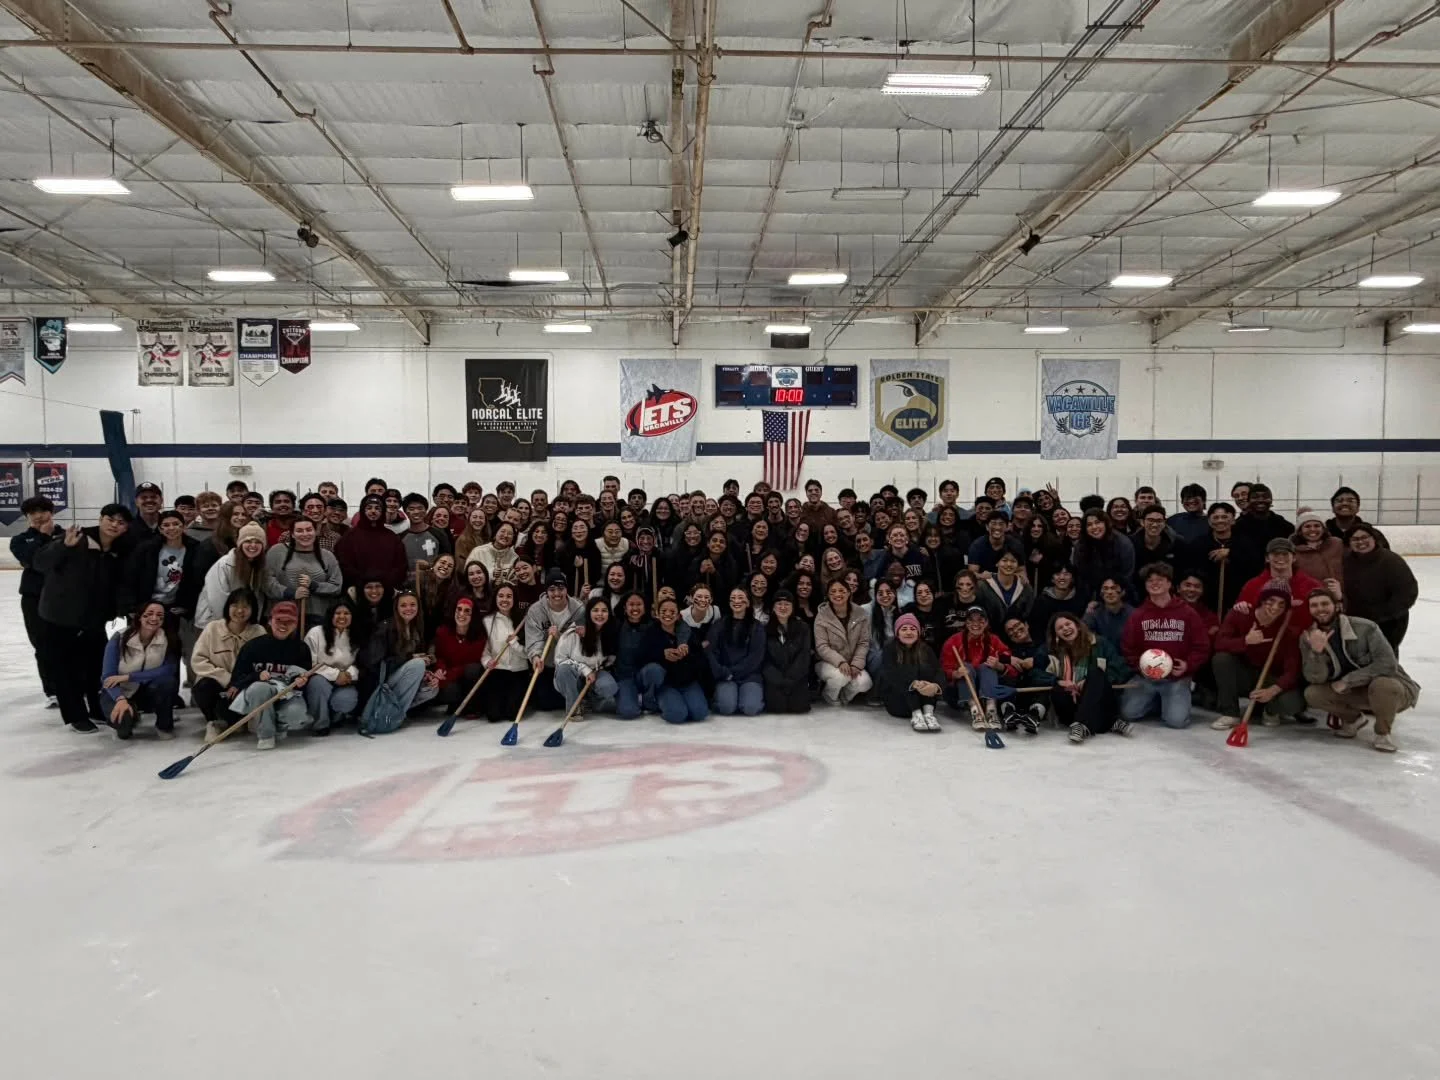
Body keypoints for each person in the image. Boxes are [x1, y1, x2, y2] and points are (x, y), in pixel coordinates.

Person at [34, 504, 134, 733]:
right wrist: (63, 547)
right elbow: (40, 563)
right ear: (101, 519)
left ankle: (97, 709)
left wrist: (119, 614)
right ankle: (75, 715)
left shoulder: (120, 549)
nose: (115, 525)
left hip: (96, 619)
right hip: (61, 616)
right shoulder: (75, 539)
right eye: (111, 519)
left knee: (94, 667)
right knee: (66, 668)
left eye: (121, 522)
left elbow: (119, 585)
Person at [1300, 588, 1419, 753]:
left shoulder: (1365, 628)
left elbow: (1387, 664)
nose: (1320, 609)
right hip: (1354, 692)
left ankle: (1382, 733)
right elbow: (1315, 678)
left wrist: (1348, 680)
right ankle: (1353, 720)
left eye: (1325, 603)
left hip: (1393, 689)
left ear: (1337, 606)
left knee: (1383, 684)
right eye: (1314, 605)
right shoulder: (1308, 638)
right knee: (1312, 693)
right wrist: (1316, 653)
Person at [1120, 562, 1211, 729]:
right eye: (1150, 581)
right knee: (1128, 714)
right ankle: (1156, 700)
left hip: (1176, 678)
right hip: (1146, 677)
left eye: (1160, 579)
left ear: (1169, 584)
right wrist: (1141, 667)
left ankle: (1172, 698)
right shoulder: (1138, 615)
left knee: (1176, 721)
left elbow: (1202, 646)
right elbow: (1128, 648)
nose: (1154, 584)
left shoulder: (1187, 613)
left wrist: (1188, 666)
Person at [1208, 585, 1306, 731]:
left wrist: (1272, 691)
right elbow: (1219, 643)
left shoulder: (1287, 630)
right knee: (1221, 659)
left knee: (1293, 703)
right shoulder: (1240, 614)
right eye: (1270, 601)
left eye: (1281, 604)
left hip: (1269, 677)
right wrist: (1245, 641)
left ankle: (1269, 710)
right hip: (1244, 674)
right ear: (1261, 600)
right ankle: (1230, 713)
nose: (1275, 608)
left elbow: (1292, 670)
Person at [1036, 612, 1134, 743]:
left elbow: (1121, 668)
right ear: (1056, 635)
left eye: (1068, 624)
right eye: (1060, 628)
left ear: (1078, 626)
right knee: (1058, 689)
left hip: (1100, 703)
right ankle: (1110, 722)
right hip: (1069, 706)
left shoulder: (1100, 644)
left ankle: (1081, 724)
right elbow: (1035, 673)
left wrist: (1092, 683)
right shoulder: (1049, 650)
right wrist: (1058, 681)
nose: (1065, 628)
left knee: (1096, 673)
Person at [229, 600, 314, 749]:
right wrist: (256, 676)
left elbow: (303, 677)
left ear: (295, 624)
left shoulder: (301, 648)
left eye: (289, 621)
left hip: (287, 694)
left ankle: (279, 723)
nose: (283, 625)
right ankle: (266, 734)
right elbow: (238, 676)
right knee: (259, 688)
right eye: (279, 620)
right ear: (270, 621)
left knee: (296, 714)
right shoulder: (253, 647)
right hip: (259, 695)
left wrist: (300, 681)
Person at [191, 586, 267, 741]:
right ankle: (213, 722)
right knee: (203, 687)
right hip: (218, 684)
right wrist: (226, 678)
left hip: (244, 687)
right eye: (235, 605)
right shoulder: (213, 628)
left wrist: (241, 682)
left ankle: (235, 720)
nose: (240, 611)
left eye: (245, 606)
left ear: (253, 610)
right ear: (227, 607)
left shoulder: (258, 632)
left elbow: (264, 664)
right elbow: (198, 660)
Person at [357, 590, 440, 729]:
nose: (409, 609)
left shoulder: (417, 628)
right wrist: (409, 659)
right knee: (418, 664)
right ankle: (387, 713)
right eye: (404, 605)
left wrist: (425, 673)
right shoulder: (384, 627)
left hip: (402, 678)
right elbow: (375, 661)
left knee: (431, 689)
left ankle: (395, 712)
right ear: (396, 608)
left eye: (413, 605)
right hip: (383, 680)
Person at [100, 600, 181, 739]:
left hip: (147, 690)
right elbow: (108, 677)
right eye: (149, 614)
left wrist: (129, 677)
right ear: (139, 616)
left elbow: (168, 670)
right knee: (123, 727)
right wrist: (120, 699)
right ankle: (129, 718)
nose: (154, 618)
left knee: (167, 682)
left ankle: (164, 725)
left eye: (159, 615)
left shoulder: (169, 639)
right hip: (121, 691)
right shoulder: (119, 638)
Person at [11, 495, 59, 705]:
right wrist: (43, 537)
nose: (39, 516)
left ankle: (80, 684)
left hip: (64, 597)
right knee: (43, 644)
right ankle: (52, 690)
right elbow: (32, 560)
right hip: (34, 598)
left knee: (71, 644)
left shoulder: (67, 536)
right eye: (33, 513)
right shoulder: (20, 540)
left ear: (52, 512)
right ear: (27, 517)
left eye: (43, 511)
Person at [1341, 523, 1418, 652]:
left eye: (1365, 537)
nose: (1361, 542)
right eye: (1355, 539)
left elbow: (1407, 593)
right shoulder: (1346, 562)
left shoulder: (1391, 561)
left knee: (1385, 659)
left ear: (1374, 538)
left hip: (1389, 623)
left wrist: (1383, 616)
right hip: (1356, 623)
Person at [939, 605, 1016, 729]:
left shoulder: (995, 641)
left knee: (987, 667)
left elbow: (1012, 669)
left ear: (986, 623)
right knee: (966, 667)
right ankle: (975, 710)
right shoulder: (953, 642)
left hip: (988, 690)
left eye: (980, 620)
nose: (976, 624)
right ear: (966, 622)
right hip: (961, 693)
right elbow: (943, 669)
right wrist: (955, 673)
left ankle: (991, 710)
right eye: (971, 620)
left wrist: (999, 666)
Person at [264, 516, 344, 628]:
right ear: (292, 534)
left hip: (318, 617)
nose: (305, 534)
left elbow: (337, 586)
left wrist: (314, 586)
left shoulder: (327, 556)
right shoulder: (277, 551)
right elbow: (266, 582)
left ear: (315, 532)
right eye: (299, 531)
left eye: (309, 530)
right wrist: (290, 593)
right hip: (283, 616)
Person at [523, 568, 584, 712]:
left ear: (566, 589)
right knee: (545, 703)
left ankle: (579, 694)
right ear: (547, 591)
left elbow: (579, 643)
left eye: (561, 588)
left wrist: (559, 636)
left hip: (570, 664)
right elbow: (534, 639)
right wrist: (536, 657)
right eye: (552, 589)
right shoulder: (535, 610)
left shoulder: (578, 610)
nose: (557, 593)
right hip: (548, 663)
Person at [643, 596, 711, 724]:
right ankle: (656, 700)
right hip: (665, 683)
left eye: (672, 611)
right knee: (677, 715)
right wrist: (662, 655)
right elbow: (643, 656)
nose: (668, 614)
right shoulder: (650, 632)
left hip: (687, 681)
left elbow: (701, 658)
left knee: (700, 713)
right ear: (657, 614)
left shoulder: (688, 632)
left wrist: (687, 653)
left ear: (678, 615)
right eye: (663, 611)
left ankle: (683, 700)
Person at [875, 613, 945, 732]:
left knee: (926, 669)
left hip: (924, 699)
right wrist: (912, 684)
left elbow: (938, 671)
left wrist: (935, 687)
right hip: (899, 702)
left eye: (913, 629)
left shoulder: (926, 649)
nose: (909, 632)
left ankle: (928, 714)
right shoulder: (889, 649)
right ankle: (916, 714)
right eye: (904, 629)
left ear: (918, 632)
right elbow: (889, 674)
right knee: (909, 668)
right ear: (897, 633)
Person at [1233, 538, 1324, 628]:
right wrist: (1241, 607)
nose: (1281, 557)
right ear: (1267, 558)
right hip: (1263, 638)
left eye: (1285, 554)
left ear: (1294, 558)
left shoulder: (1312, 585)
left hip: (1303, 637)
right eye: (1276, 554)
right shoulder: (1252, 586)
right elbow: (1239, 617)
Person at [195, 522, 271, 628]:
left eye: (258, 542)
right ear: (240, 544)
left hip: (242, 623)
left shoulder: (258, 566)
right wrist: (230, 624)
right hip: (215, 623)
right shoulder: (224, 564)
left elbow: (257, 598)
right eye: (248, 541)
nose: (253, 545)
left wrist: (253, 622)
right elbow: (217, 599)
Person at [303, 598, 363, 732]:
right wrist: (335, 675)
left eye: (346, 613)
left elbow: (361, 663)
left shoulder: (357, 635)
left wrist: (349, 674)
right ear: (331, 615)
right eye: (338, 613)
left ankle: (336, 716)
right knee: (317, 683)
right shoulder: (316, 633)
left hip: (346, 680)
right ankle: (320, 724)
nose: (342, 617)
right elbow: (309, 662)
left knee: (346, 700)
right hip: (320, 677)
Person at [554, 596, 619, 714]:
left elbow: (609, 659)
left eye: (604, 610)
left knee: (609, 687)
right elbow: (560, 660)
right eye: (595, 610)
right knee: (564, 670)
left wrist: (599, 669)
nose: (600, 614)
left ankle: (590, 699)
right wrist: (585, 670)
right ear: (588, 613)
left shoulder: (609, 632)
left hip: (595, 673)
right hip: (573, 674)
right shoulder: (575, 633)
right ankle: (574, 707)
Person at [707, 588, 766, 715]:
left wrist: (733, 672)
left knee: (750, 708)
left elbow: (756, 657)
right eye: (733, 598)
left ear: (748, 602)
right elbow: (711, 652)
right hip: (725, 676)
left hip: (749, 676)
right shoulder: (719, 625)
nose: (736, 601)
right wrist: (723, 672)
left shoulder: (757, 627)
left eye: (740, 598)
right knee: (726, 707)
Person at [813, 579, 873, 706]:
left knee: (865, 682)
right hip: (827, 662)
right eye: (833, 591)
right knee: (840, 676)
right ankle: (829, 696)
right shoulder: (822, 616)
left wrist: (856, 664)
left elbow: (863, 642)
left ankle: (845, 696)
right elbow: (822, 646)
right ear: (828, 596)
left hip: (852, 661)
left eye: (841, 590)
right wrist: (840, 661)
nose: (837, 594)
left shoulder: (861, 613)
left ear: (849, 593)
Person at [477, 585, 529, 722]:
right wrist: (487, 661)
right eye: (501, 596)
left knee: (512, 715)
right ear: (495, 598)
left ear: (514, 599)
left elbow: (528, 654)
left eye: (509, 596)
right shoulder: (487, 621)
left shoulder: (523, 621)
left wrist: (515, 644)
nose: (504, 599)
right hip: (497, 672)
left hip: (519, 672)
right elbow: (485, 651)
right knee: (493, 716)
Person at [335, 494, 408, 591]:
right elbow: (344, 565)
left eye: (377, 508)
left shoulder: (392, 538)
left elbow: (400, 565)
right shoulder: (349, 537)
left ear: (382, 512)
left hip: (387, 591)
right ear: (362, 510)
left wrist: (385, 584)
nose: (373, 511)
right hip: (358, 591)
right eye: (369, 508)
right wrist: (362, 583)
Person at [430, 597, 489, 712]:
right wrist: (440, 670)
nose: (462, 614)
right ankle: (457, 704)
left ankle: (473, 704)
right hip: (450, 676)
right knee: (449, 691)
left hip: (466, 677)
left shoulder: (479, 637)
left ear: (473, 615)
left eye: (467, 611)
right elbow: (440, 656)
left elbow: (471, 665)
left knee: (473, 669)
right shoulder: (443, 632)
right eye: (459, 609)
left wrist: (447, 675)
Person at [612, 593, 662, 719]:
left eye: (639, 604)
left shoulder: (655, 625)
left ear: (645, 607)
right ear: (625, 607)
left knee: (655, 670)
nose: (635, 608)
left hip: (644, 674)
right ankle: (628, 698)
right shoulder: (616, 625)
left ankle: (648, 699)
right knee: (628, 712)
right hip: (625, 676)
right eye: (631, 604)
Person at [762, 590, 813, 714]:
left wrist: (790, 678)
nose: (783, 607)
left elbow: (804, 655)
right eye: (779, 604)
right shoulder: (764, 630)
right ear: (773, 607)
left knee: (799, 707)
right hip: (774, 679)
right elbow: (764, 659)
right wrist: (778, 680)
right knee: (776, 707)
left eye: (787, 604)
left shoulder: (803, 628)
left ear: (793, 607)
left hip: (796, 678)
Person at [1071, 512, 1135, 603]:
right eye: (1089, 525)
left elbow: (1127, 574)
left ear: (1106, 523)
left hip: (1121, 594)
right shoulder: (1080, 546)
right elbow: (1081, 576)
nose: (1094, 527)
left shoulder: (1123, 543)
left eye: (1098, 522)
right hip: (1091, 596)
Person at [1028, 565, 1086, 642]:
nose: (1062, 577)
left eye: (1066, 574)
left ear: (1072, 578)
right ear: (1052, 579)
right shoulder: (1042, 601)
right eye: (1057, 574)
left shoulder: (1080, 599)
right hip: (1048, 644)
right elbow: (1036, 628)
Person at [1292, 510, 1345, 585]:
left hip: (1340, 593)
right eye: (1307, 526)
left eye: (1317, 526)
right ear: (1300, 531)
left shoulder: (1337, 544)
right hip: (1311, 594)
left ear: (1323, 529)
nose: (1312, 529)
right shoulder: (1294, 551)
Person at [1234, 482, 1293, 547]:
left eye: (1265, 497)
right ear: (1248, 501)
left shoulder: (1283, 525)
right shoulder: (1238, 526)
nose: (1260, 500)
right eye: (1255, 497)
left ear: (1271, 500)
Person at [966, 512, 1024, 577]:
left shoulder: (1015, 544)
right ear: (987, 527)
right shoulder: (977, 546)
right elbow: (972, 574)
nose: (997, 527)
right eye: (993, 523)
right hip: (985, 581)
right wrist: (981, 576)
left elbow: (1022, 572)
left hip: (1008, 580)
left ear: (1007, 527)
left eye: (1001, 524)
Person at [1083, 577, 1133, 649]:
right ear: (1101, 593)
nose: (1109, 592)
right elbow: (1083, 632)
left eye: (1114, 588)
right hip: (1102, 656)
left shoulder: (1133, 614)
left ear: (1123, 592)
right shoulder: (1094, 613)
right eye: (1105, 589)